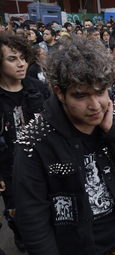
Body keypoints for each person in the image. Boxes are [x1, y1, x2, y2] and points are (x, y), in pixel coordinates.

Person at [13, 36, 115, 255]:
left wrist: (112, 133)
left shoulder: (111, 116)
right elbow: (32, 220)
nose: (95, 106)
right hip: (74, 245)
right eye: (81, 95)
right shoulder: (35, 141)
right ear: (59, 93)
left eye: (100, 92)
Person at [0, 33, 51, 251]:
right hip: (9, 172)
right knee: (16, 215)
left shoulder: (38, 89)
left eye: (23, 57)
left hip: (43, 167)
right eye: (12, 59)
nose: (21, 64)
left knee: (47, 213)